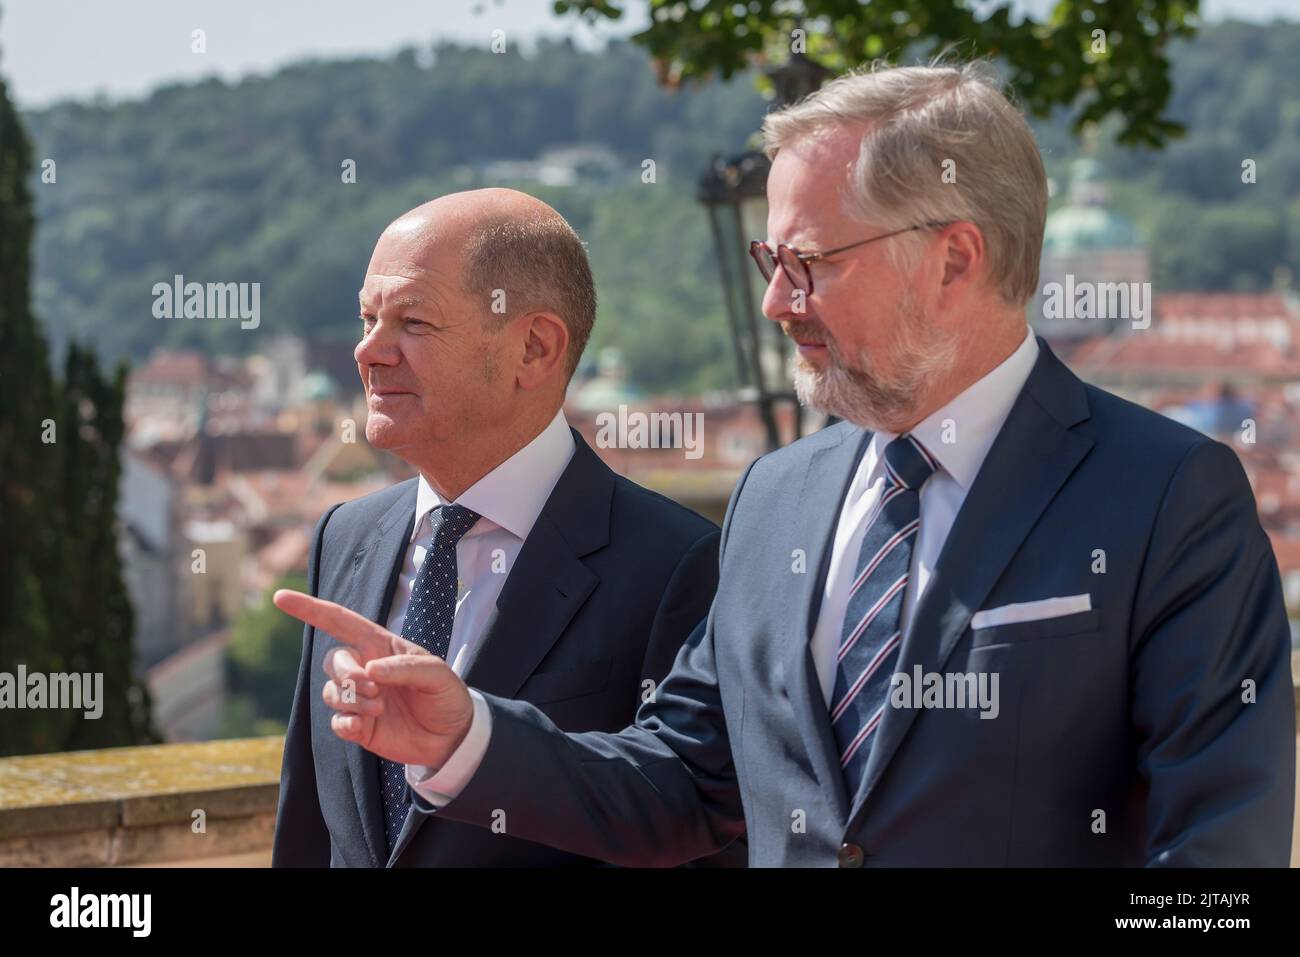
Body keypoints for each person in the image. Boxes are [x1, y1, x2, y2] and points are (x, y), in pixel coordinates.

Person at [275, 63, 1296, 866]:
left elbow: (1216, 855)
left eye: (809, 265)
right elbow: (682, 782)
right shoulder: (778, 496)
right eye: (772, 264)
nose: (776, 304)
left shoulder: (1167, 495)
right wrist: (470, 738)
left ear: (953, 259)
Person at [271, 189, 738, 867]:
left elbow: (693, 825)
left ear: (535, 347)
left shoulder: (680, 564)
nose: (368, 351)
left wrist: (473, 740)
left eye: (413, 322)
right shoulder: (345, 535)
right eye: (368, 318)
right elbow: (312, 827)